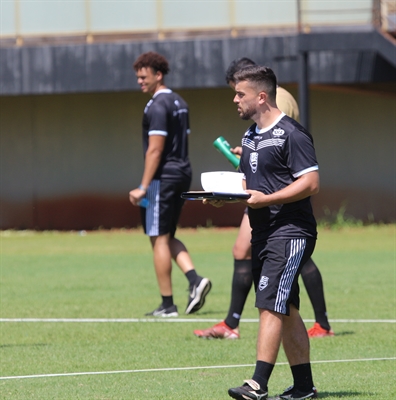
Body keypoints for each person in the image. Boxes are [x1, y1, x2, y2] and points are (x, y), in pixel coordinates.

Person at [194, 58, 333, 339]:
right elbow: (263, 145)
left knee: (289, 271)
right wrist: (247, 157)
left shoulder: (279, 103)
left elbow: (287, 148)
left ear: (258, 91)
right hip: (260, 197)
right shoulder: (251, 128)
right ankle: (236, 325)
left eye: (238, 91)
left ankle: (262, 367)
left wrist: (261, 171)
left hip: (278, 201)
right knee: (276, 282)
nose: (235, 98)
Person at [225, 65, 319, 399]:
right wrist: (223, 197)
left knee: (270, 304)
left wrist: (269, 200)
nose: (235, 100)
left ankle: (258, 383)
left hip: (290, 231)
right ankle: (304, 387)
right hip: (262, 232)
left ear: (261, 96)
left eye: (240, 94)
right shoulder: (250, 135)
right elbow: (249, 183)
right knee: (287, 307)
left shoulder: (292, 133)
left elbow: (310, 183)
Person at [129, 51, 212, 317]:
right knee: (167, 235)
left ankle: (168, 305)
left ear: (158, 74)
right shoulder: (180, 102)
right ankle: (195, 281)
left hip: (162, 178)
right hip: (182, 173)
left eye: (144, 77)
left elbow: (155, 150)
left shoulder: (157, 106)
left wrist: (143, 186)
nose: (140, 82)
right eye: (138, 77)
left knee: (158, 239)